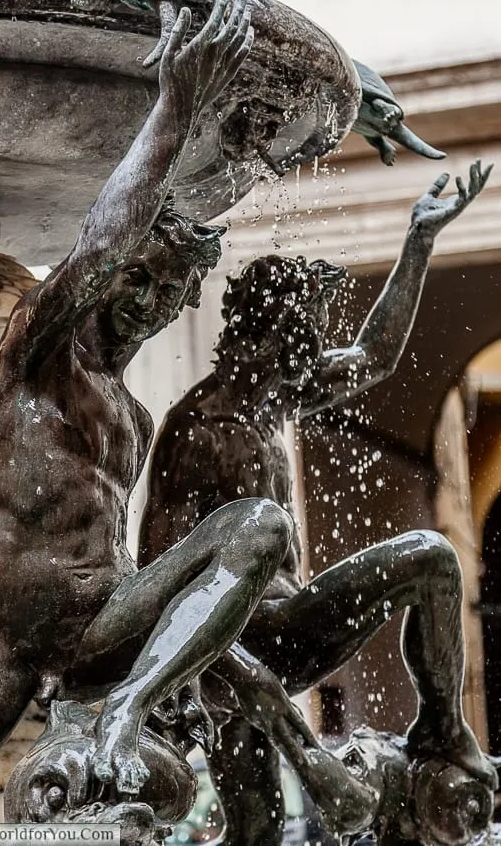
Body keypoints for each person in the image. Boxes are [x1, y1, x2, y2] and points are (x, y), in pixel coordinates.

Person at [0, 0, 301, 823]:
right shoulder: (37, 348)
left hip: (98, 630)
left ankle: (128, 706)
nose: (145, 300)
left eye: (167, 290)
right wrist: (172, 112)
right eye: (136, 278)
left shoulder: (131, 413)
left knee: (257, 525)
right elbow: (105, 237)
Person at [139, 161, 496, 846]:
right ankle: (442, 728)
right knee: (255, 823)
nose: (320, 344)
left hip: (274, 635)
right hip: (238, 649)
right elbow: (164, 584)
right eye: (311, 327)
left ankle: (441, 727)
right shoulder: (204, 430)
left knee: (258, 825)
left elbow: (375, 356)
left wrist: (416, 244)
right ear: (274, 336)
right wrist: (217, 682)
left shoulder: (273, 394)